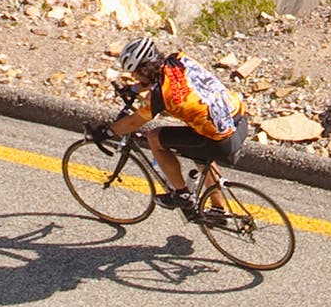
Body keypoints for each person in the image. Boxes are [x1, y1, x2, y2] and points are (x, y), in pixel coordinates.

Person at [104, 35, 251, 214]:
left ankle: (181, 194)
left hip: (222, 141)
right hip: (240, 120)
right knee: (201, 151)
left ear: (143, 70)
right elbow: (157, 82)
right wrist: (134, 89)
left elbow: (134, 122)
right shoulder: (178, 59)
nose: (132, 76)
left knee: (154, 137)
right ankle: (218, 210)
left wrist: (107, 132)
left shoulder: (160, 96)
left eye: (134, 72)